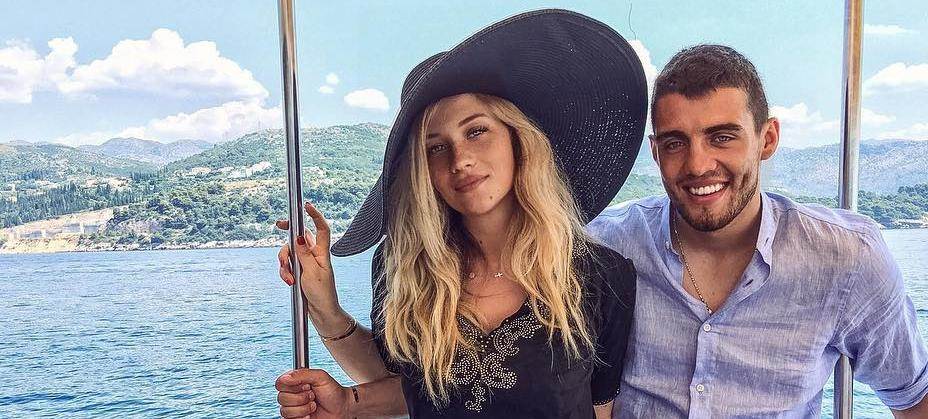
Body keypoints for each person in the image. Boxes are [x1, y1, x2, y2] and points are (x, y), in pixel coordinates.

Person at [274, 10, 648, 418]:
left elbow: (600, 410)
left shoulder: (600, 277)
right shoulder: (404, 269)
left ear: (517, 139)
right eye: (436, 147)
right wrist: (327, 313)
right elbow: (406, 385)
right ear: (423, 172)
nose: (460, 159)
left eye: (476, 131)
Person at [587, 44, 928, 418]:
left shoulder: (847, 259)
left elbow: (914, 397)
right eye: (675, 143)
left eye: (722, 137)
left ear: (767, 139)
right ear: (655, 152)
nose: (697, 165)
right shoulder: (608, 246)